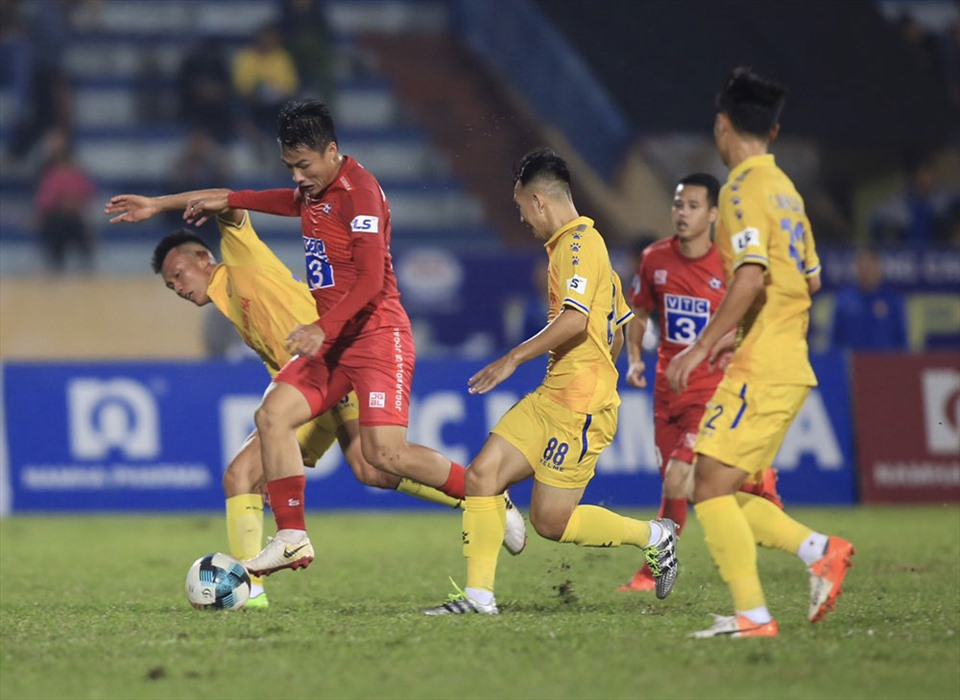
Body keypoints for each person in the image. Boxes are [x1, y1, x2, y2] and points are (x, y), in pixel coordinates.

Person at [104, 189, 527, 605]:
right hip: (312, 381)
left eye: (179, 274)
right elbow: (280, 371)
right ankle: (483, 496)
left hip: (338, 359)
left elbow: (229, 200)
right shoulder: (231, 307)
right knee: (363, 468)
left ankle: (484, 494)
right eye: (169, 284)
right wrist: (277, 457)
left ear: (204, 259)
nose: (177, 286)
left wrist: (157, 204)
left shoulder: (241, 258)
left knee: (364, 462)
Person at [183, 100, 486, 577]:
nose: (297, 177)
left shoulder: (359, 193)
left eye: (303, 166)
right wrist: (234, 199)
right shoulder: (315, 190)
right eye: (290, 167)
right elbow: (286, 201)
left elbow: (370, 282)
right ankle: (292, 538)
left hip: (376, 336)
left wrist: (321, 326)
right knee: (272, 415)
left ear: (331, 151)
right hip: (335, 342)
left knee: (383, 456)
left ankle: (486, 494)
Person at [421, 149, 679, 616]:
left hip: (579, 407)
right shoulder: (577, 246)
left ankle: (654, 536)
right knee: (482, 476)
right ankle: (479, 597)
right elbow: (618, 324)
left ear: (540, 201)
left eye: (521, 207)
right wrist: (601, 366)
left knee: (550, 522)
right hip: (554, 394)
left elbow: (577, 320)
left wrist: (514, 359)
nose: (522, 218)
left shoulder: (579, 245)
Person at [667, 67, 854, 638]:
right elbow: (812, 280)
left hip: (765, 364)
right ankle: (819, 550)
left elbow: (750, 275)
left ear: (723, 127)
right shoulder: (788, 192)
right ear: (772, 132)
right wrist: (736, 333)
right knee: (714, 486)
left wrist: (702, 346)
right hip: (779, 357)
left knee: (708, 487)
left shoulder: (744, 188)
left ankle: (754, 616)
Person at [615, 173, 783, 593]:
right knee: (682, 487)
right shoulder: (654, 258)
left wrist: (721, 347)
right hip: (665, 390)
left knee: (677, 478)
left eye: (692, 206)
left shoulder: (730, 265)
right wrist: (635, 358)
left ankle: (653, 570)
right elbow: (639, 311)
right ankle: (750, 481)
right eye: (677, 205)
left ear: (712, 214)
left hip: (710, 390)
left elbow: (754, 315)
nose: (682, 213)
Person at [829, 247, 908, 352]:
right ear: (857, 269)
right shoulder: (844, 301)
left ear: (879, 269)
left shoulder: (892, 301)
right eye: (863, 267)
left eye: (871, 268)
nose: (867, 273)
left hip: (885, 364)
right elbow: (835, 340)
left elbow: (901, 341)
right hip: (853, 365)